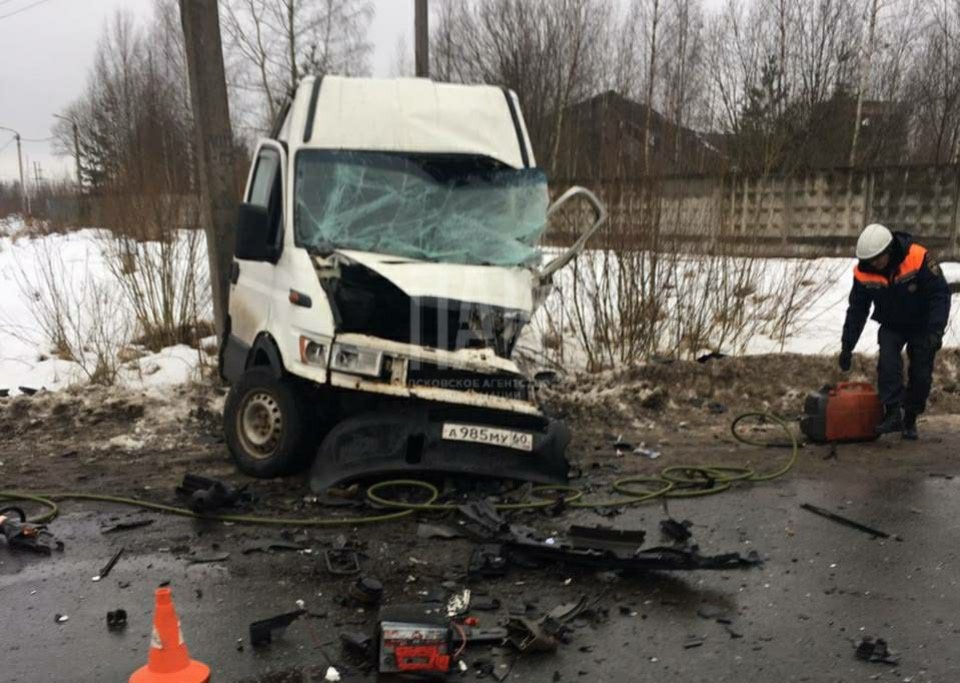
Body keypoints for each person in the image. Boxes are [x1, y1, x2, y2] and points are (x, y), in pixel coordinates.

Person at [840, 223, 951, 440]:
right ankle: (892, 413)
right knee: (888, 364)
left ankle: (910, 416)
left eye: (878, 258)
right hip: (892, 324)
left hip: (922, 325)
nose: (875, 264)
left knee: (921, 374)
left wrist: (936, 331)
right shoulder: (863, 273)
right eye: (870, 260)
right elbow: (857, 310)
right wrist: (847, 346)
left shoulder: (918, 258)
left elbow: (940, 295)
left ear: (890, 250)